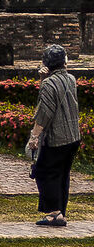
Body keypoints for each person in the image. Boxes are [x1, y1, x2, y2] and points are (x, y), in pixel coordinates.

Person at [28, 43, 81, 227]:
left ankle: (54, 212)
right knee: (62, 174)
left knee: (45, 172)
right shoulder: (71, 79)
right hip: (73, 136)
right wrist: (44, 79)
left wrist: (34, 136)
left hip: (57, 137)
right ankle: (59, 213)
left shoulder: (50, 84)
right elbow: (50, 100)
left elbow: (44, 112)